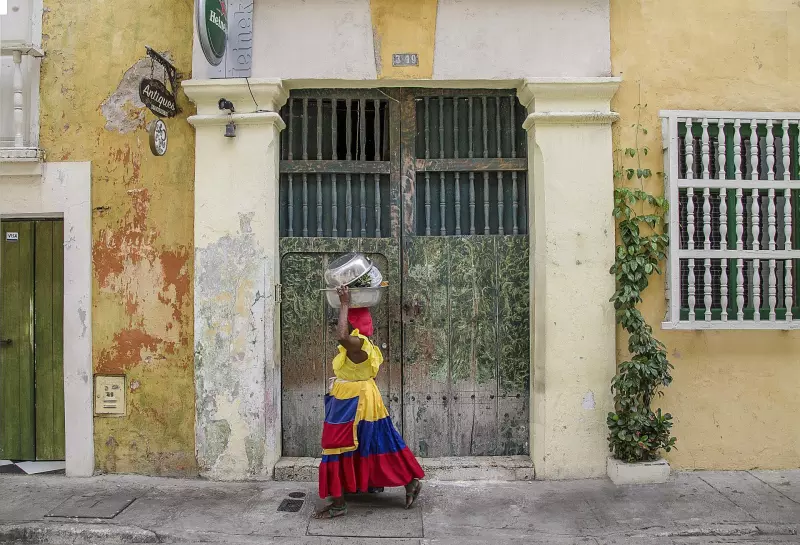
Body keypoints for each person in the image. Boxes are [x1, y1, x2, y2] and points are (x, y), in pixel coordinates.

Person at [313, 285, 424, 519]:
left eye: (345, 320)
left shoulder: (358, 345)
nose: (338, 324)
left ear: (354, 325)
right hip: (360, 399)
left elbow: (342, 336)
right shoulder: (366, 345)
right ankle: (409, 482)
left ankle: (339, 504)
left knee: (337, 445)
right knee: (375, 443)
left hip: (352, 404)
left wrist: (344, 303)